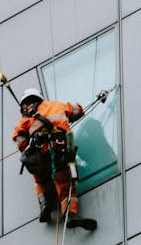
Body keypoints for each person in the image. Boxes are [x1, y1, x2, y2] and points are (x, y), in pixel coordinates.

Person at [11, 88, 97, 231]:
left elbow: (18, 137)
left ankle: (45, 206)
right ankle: (70, 214)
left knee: (39, 179)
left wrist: (25, 147)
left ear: (26, 103)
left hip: (40, 154)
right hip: (60, 149)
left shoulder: (25, 119)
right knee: (64, 182)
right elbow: (78, 110)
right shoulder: (56, 105)